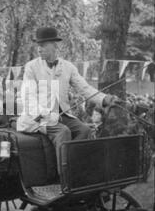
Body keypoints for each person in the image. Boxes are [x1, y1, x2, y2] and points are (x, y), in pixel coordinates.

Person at [17, 26, 117, 174]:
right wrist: (44, 116)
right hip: (37, 118)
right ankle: (65, 178)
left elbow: (85, 89)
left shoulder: (68, 67)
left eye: (43, 45)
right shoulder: (31, 67)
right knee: (62, 132)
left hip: (61, 115)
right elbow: (28, 97)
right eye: (38, 45)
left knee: (85, 130)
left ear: (55, 45)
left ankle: (73, 166)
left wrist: (106, 99)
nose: (39, 49)